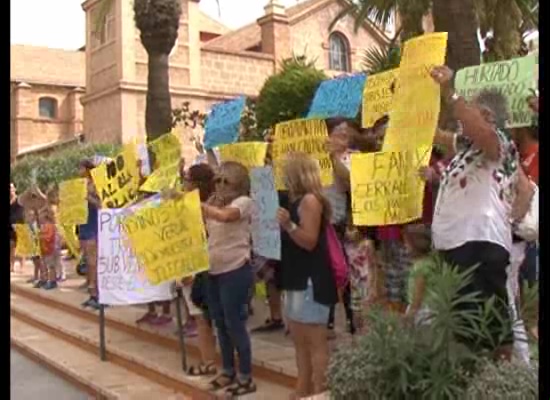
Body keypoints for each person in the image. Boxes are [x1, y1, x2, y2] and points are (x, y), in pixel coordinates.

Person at [430, 66, 519, 359]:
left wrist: (450, 92)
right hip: (456, 246)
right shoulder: (467, 148)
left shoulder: (499, 142)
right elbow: (439, 136)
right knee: (463, 327)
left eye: (472, 112)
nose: (462, 120)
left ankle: (498, 383)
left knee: (490, 327)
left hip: (480, 245)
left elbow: (476, 128)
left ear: (490, 118)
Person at [277, 153, 338, 399]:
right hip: (295, 276)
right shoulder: (295, 201)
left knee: (315, 340)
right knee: (299, 339)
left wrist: (289, 225)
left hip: (311, 279)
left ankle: (319, 390)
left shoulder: (311, 201)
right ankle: (303, 387)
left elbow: (309, 240)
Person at [201, 161, 256, 396]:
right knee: (219, 322)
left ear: (239, 184)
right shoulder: (213, 202)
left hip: (235, 270)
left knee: (235, 323)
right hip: (213, 270)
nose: (221, 185)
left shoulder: (244, 203)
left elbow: (226, 217)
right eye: (218, 180)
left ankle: (245, 376)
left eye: (226, 181)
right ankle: (226, 370)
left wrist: (199, 205)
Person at [180, 163, 218, 376]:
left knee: (202, 318)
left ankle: (209, 362)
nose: (183, 182)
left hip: (200, 268)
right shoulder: (213, 204)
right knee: (205, 318)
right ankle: (211, 361)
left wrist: (190, 271)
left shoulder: (202, 208)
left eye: (186, 179)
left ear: (195, 183)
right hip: (199, 266)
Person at [78, 159, 102, 310]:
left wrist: (88, 197)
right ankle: (92, 294)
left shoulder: (96, 185)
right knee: (88, 261)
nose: (78, 171)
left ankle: (100, 295)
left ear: (87, 169)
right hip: (84, 225)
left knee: (94, 262)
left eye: (80, 168)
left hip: (94, 225)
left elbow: (101, 204)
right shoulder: (79, 185)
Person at [403, 224, 435, 326]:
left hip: (422, 311)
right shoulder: (431, 262)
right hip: (431, 309)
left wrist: (409, 315)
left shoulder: (420, 267)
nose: (405, 246)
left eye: (406, 243)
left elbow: (418, 294)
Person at [37, 206, 61, 290]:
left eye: (40, 215)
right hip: (45, 249)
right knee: (45, 264)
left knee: (51, 266)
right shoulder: (44, 226)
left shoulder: (50, 226)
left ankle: (53, 281)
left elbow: (49, 237)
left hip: (50, 249)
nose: (39, 217)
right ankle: (45, 279)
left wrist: (40, 236)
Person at [10, 182, 25, 273]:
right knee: (11, 246)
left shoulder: (19, 199)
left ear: (15, 189)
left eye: (11, 188)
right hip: (10, 226)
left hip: (20, 225)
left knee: (21, 246)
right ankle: (11, 265)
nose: (10, 190)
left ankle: (22, 266)